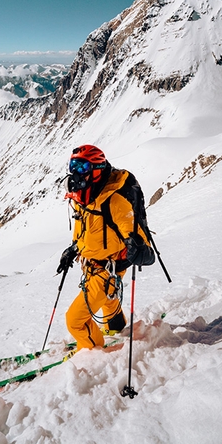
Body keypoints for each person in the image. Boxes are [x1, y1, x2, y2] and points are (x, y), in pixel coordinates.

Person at [57, 144, 154, 350]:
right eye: (73, 165)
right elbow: (86, 231)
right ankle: (116, 326)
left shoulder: (114, 202)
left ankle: (92, 352)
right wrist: (73, 250)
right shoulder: (83, 198)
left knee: (75, 320)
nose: (75, 173)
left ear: (97, 169)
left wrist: (138, 249)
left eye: (82, 167)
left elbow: (143, 247)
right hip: (91, 265)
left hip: (108, 270)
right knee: (108, 299)